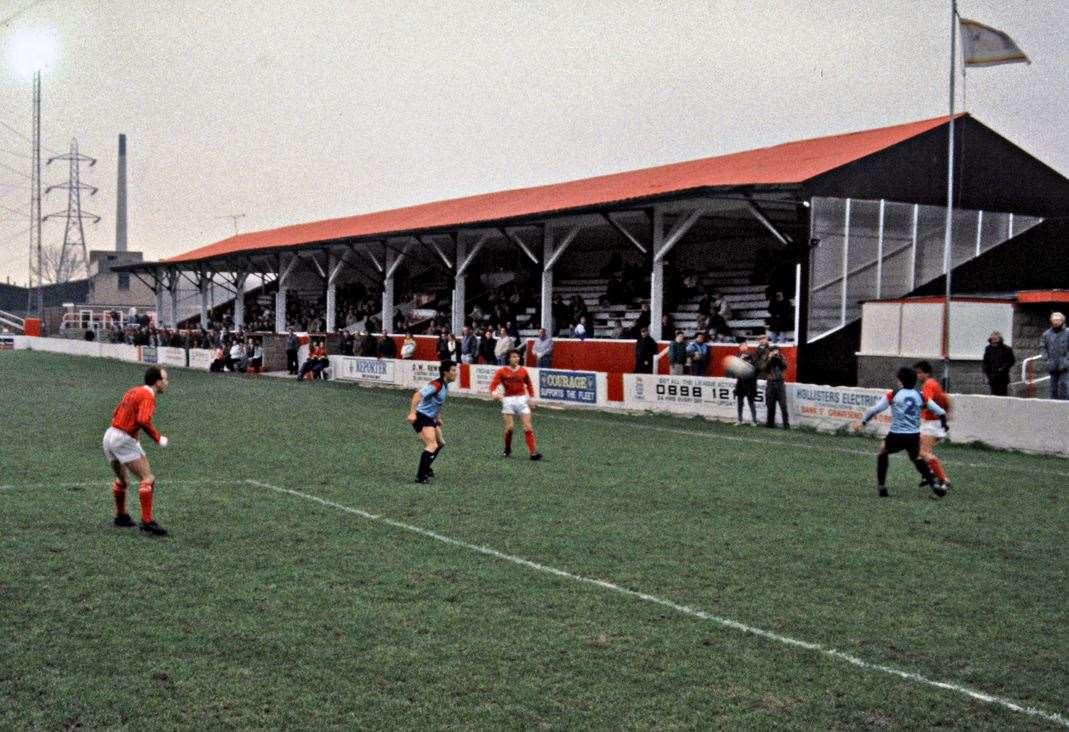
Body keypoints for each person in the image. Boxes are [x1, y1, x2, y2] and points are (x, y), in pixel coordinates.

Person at [853, 367, 947, 499]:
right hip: (913, 436)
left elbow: (874, 410)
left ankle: (882, 487)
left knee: (882, 452)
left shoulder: (894, 394)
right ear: (914, 381)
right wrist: (944, 424)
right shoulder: (921, 395)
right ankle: (934, 485)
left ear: (901, 380)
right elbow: (941, 412)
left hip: (896, 434)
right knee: (916, 458)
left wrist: (863, 422)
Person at [102, 366, 170, 535]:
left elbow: (116, 412)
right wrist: (158, 438)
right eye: (165, 379)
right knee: (147, 478)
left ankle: (121, 516)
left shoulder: (133, 391)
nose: (167, 383)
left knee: (122, 480)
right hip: (123, 439)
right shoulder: (148, 395)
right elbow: (142, 420)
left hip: (109, 435)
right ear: (157, 381)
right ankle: (147, 521)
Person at [406, 360, 456, 484]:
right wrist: (412, 413)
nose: (456, 373)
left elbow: (436, 402)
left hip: (430, 418)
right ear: (445, 372)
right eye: (453, 370)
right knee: (432, 445)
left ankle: (426, 468)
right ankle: (420, 477)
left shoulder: (444, 385)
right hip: (421, 416)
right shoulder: (436, 384)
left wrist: (438, 417)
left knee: (440, 443)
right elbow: (417, 395)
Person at [489, 350, 542, 460]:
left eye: (517, 357)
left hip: (522, 400)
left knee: (527, 426)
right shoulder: (502, 371)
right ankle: (507, 448)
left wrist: (531, 398)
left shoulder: (523, 371)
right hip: (508, 400)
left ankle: (533, 452)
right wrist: (494, 393)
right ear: (509, 358)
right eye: (513, 357)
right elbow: (493, 385)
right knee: (510, 428)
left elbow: (529, 385)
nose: (516, 359)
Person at [914, 360, 951, 490]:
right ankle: (928, 475)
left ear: (927, 373)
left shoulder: (928, 384)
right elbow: (945, 401)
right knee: (917, 451)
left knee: (923, 452)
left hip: (932, 424)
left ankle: (943, 479)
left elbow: (927, 401)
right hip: (933, 423)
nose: (917, 376)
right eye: (916, 373)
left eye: (919, 373)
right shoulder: (934, 384)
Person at [760, 342, 790, 429]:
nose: (775, 352)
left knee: (783, 405)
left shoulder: (781, 357)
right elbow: (763, 368)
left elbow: (785, 366)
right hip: (770, 383)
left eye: (776, 351)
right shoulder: (765, 358)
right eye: (773, 351)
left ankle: (786, 424)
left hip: (780, 383)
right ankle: (770, 424)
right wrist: (769, 359)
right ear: (770, 352)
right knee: (770, 405)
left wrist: (779, 359)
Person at [1040, 311, 1069, 400]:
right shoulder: (1046, 334)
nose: (1056, 322)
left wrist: (1067, 359)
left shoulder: (1068, 333)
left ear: (1062, 321)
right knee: (1052, 386)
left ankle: (1065, 404)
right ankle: (1053, 403)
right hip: (1052, 364)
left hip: (1064, 364)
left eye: (1058, 320)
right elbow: (1042, 346)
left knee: (1064, 384)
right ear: (1051, 321)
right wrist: (1045, 358)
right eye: (1054, 320)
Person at [982, 331, 1015, 397]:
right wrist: (986, 372)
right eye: (992, 339)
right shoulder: (988, 349)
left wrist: (1003, 368)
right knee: (994, 395)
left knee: (1002, 395)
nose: (993, 341)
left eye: (995, 339)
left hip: (1002, 377)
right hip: (992, 376)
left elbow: (1011, 361)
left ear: (999, 339)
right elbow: (985, 361)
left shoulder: (1007, 349)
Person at [734, 344, 759, 426]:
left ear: (747, 347)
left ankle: (754, 420)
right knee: (740, 402)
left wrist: (747, 362)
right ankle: (740, 419)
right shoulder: (738, 356)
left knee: (751, 402)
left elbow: (756, 368)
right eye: (741, 346)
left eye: (744, 346)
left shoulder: (752, 355)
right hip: (740, 382)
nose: (743, 348)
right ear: (739, 348)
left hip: (750, 382)